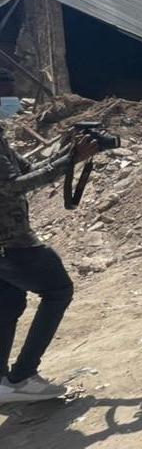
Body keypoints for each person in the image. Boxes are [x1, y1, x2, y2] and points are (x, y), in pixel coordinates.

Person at [0, 69, 98, 403]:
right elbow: (12, 186)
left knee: (8, 305)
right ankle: (24, 375)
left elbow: (28, 170)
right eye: (4, 94)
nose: (11, 101)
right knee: (58, 291)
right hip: (12, 242)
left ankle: (3, 384)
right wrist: (68, 162)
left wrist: (70, 154)